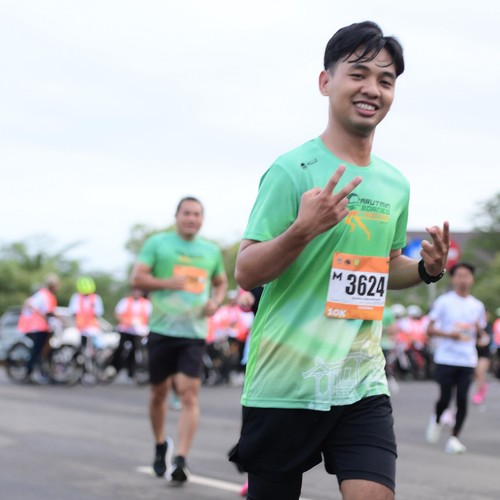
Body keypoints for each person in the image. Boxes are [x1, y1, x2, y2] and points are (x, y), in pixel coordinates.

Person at [228, 21, 449, 500]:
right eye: (359, 74)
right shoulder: (292, 170)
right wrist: (302, 230)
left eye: (386, 80)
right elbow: (246, 272)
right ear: (326, 82)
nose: (373, 89)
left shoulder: (395, 184)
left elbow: (386, 265)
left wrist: (427, 269)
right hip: (285, 379)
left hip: (360, 379)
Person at [130, 196, 227, 484]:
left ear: (202, 219)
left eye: (197, 214)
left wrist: (215, 302)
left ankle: (181, 458)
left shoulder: (210, 250)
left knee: (188, 393)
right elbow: (137, 278)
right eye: (187, 213)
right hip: (162, 330)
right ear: (176, 216)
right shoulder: (158, 244)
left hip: (193, 333)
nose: (191, 219)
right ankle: (161, 443)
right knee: (158, 393)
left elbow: (221, 282)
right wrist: (166, 283)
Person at [425, 262, 487, 454]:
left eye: (466, 275)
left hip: (467, 359)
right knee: (445, 398)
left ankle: (454, 438)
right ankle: (437, 419)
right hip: (446, 358)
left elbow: (481, 334)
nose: (463, 279)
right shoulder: (444, 302)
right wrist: (450, 335)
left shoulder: (477, 306)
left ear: (472, 279)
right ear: (453, 278)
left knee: (462, 399)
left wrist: (480, 334)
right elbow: (430, 330)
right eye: (459, 275)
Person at [17, 274, 60, 381]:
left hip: (43, 327)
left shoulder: (47, 295)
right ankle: (28, 372)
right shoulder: (44, 295)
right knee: (37, 350)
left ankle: (47, 372)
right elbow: (43, 310)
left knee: (46, 350)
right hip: (37, 327)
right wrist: (45, 316)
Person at [111, 287, 152, 381]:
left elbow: (150, 318)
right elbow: (117, 314)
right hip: (125, 330)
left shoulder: (146, 303)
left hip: (139, 331)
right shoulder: (125, 301)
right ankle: (114, 367)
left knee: (134, 350)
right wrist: (126, 321)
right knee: (120, 348)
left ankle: (131, 372)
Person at [68, 276, 105, 341]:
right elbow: (73, 312)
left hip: (93, 328)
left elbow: (98, 313)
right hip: (79, 328)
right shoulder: (76, 297)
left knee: (96, 343)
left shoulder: (95, 298)